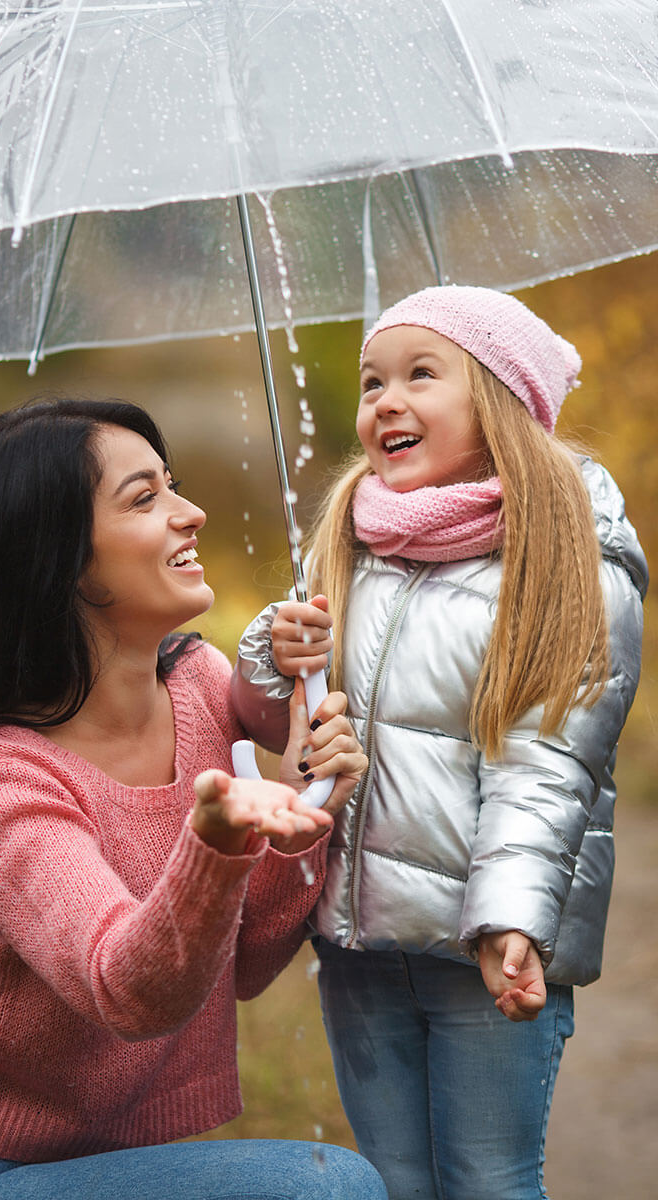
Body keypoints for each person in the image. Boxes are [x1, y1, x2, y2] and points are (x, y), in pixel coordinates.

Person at [0, 397, 386, 1200]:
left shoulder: (200, 688)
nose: (192, 512)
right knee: (327, 1188)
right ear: (58, 557)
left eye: (171, 485)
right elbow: (130, 991)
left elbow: (236, 966)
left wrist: (303, 813)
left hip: (108, 1166)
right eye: (146, 499)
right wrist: (214, 847)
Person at [231, 286, 647, 1200]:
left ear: (500, 398)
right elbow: (284, 730)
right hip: (358, 942)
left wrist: (510, 919)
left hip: (485, 948)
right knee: (392, 1184)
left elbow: (549, 767)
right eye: (372, 380)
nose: (387, 400)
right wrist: (274, 655)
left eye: (423, 374)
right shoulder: (351, 539)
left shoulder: (567, 557)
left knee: (487, 1182)